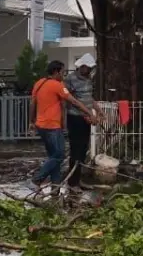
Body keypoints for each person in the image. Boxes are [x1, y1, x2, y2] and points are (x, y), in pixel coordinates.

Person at [29, 60, 96, 189]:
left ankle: (56, 187)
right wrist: (89, 113)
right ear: (56, 72)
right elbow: (74, 102)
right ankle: (36, 179)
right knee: (59, 155)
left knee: (54, 157)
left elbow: (32, 103)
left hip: (41, 126)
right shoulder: (57, 85)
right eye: (63, 72)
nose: (63, 76)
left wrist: (31, 121)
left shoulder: (39, 83)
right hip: (52, 127)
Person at [64, 53, 98, 188]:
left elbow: (89, 98)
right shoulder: (70, 79)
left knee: (83, 149)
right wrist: (88, 113)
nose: (89, 70)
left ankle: (78, 180)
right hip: (75, 118)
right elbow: (72, 101)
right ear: (82, 66)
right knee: (76, 150)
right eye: (87, 68)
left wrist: (98, 110)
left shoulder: (88, 79)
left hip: (86, 118)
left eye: (90, 68)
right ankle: (72, 182)